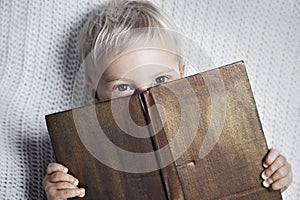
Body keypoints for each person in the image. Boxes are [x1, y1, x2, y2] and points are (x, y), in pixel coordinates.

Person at [43, 0, 293, 199]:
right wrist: (60, 193)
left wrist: (275, 176)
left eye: (161, 80)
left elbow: (253, 174)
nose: (144, 97)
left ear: (182, 72)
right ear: (95, 93)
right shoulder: (84, 150)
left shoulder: (215, 119)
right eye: (123, 87)